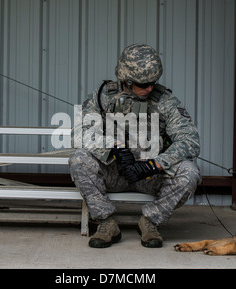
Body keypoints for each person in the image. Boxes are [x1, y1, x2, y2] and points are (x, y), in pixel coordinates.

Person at [69, 43, 201, 248]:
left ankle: (150, 222)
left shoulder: (165, 100)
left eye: (153, 82)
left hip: (149, 175)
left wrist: (154, 165)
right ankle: (106, 223)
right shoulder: (102, 96)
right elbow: (79, 133)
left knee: (190, 172)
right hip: (114, 171)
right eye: (143, 84)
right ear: (127, 81)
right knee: (79, 159)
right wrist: (114, 148)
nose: (150, 88)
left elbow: (190, 140)